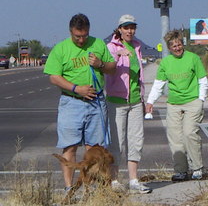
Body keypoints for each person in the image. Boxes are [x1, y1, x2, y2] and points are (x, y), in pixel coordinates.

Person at [44, 13, 116, 193]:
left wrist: (100, 64)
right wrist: (76, 88)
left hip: (96, 102)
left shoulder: (98, 44)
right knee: (70, 146)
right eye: (77, 36)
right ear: (71, 32)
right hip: (72, 102)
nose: (82, 40)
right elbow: (54, 77)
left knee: (95, 148)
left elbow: (112, 68)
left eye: (84, 35)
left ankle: (89, 188)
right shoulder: (61, 49)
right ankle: (69, 188)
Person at [146, 30, 208, 181]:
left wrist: (201, 100)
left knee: (189, 133)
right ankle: (181, 170)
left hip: (192, 101)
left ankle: (197, 168)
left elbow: (203, 81)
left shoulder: (193, 58)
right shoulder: (166, 63)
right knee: (175, 137)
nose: (177, 48)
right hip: (174, 104)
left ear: (183, 44)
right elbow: (158, 85)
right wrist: (150, 102)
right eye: (173, 46)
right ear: (168, 47)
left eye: (179, 44)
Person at [105, 14, 152, 194]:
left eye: (132, 27)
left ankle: (133, 179)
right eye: (126, 27)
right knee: (117, 142)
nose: (129, 31)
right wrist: (117, 55)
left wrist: (144, 98)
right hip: (116, 101)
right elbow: (107, 70)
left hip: (134, 100)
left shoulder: (137, 45)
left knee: (136, 140)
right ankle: (114, 179)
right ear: (119, 29)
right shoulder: (110, 47)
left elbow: (139, 74)